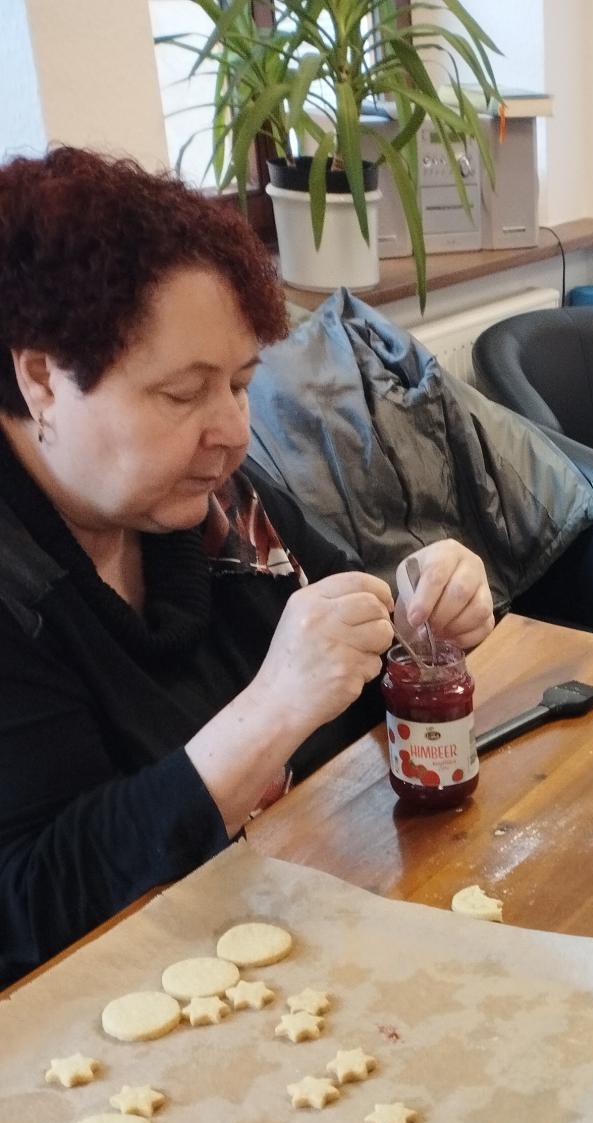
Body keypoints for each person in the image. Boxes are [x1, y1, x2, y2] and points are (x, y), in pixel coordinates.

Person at [0, 148, 495, 988]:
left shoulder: (209, 506)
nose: (232, 430)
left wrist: (416, 620)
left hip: (307, 931)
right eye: (184, 393)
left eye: (240, 381)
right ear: (43, 378)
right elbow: (32, 906)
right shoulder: (22, 592)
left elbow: (356, 677)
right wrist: (275, 704)